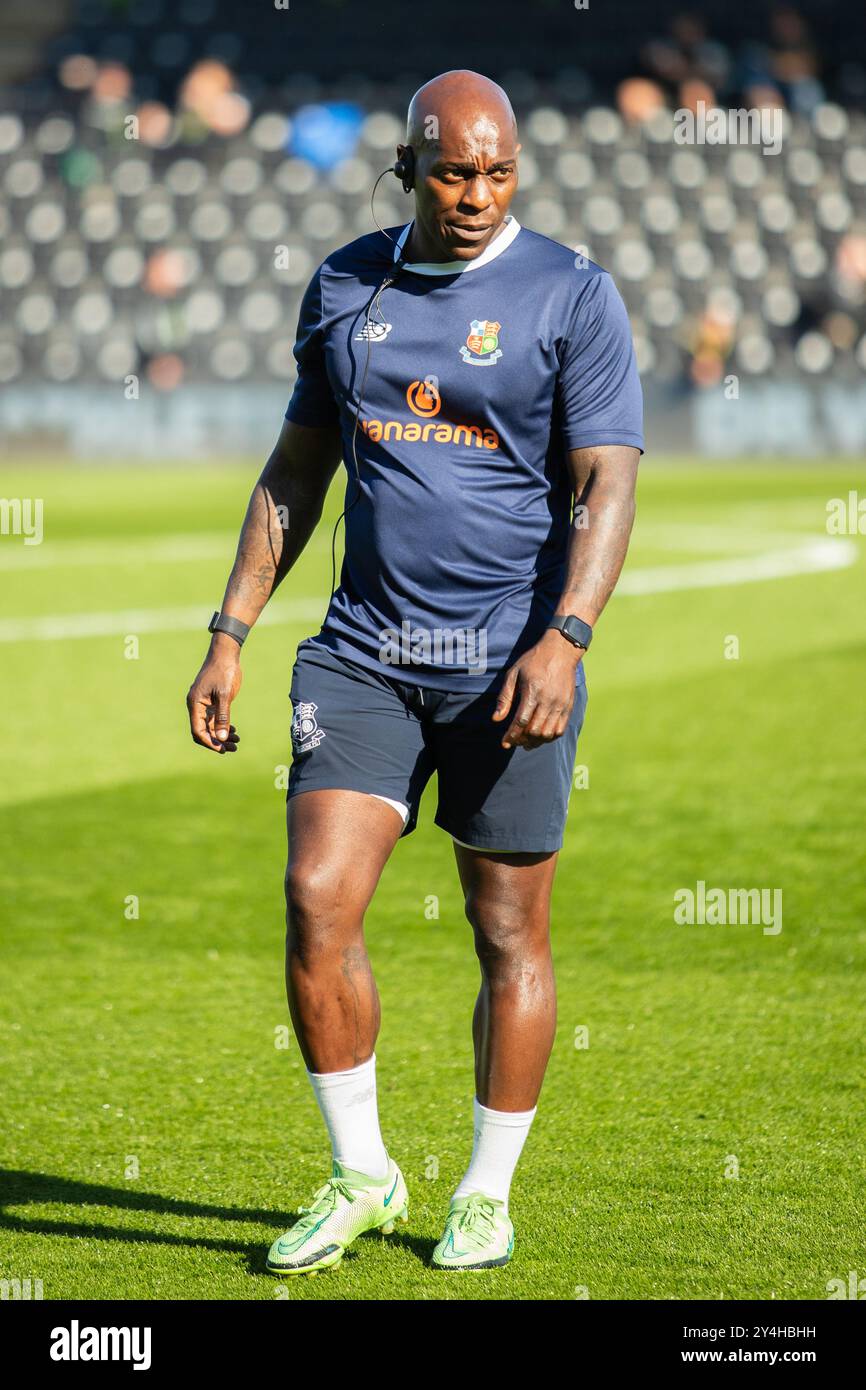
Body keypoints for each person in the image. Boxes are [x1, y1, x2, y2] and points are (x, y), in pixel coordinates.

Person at [186, 69, 643, 1274]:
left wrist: (567, 634)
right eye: (454, 171)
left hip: (507, 663)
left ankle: (483, 1193)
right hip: (362, 657)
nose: (478, 194)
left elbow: (606, 482)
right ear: (407, 167)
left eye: (497, 172)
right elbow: (296, 473)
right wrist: (229, 631)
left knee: (507, 934)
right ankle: (362, 1174)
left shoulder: (570, 293)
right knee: (315, 897)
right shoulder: (344, 283)